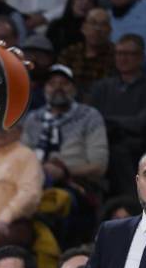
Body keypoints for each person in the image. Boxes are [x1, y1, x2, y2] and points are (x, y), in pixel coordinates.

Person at [87, 34, 146, 195]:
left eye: (129, 54)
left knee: (120, 153)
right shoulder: (102, 87)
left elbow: (142, 123)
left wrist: (109, 121)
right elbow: (89, 118)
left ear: (142, 57)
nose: (123, 58)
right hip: (102, 144)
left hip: (137, 148)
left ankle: (130, 204)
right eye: (119, 53)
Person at [21, 65, 109, 198]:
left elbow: (99, 167)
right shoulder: (33, 119)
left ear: (74, 89)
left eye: (64, 83)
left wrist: (64, 172)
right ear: (44, 89)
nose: (58, 88)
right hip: (32, 182)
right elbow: (21, 159)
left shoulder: (89, 116)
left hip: (77, 184)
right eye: (52, 84)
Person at [58, 7, 114, 96]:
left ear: (110, 30)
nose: (98, 29)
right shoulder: (69, 53)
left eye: (103, 24)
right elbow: (59, 83)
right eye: (93, 23)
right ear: (83, 28)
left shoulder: (116, 56)